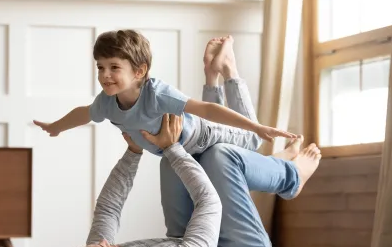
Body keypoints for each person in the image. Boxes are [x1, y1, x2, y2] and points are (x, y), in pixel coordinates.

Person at [57, 44, 320, 247]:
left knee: (173, 164)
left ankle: (222, 90)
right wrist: (171, 147)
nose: (105, 243)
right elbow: (209, 202)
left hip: (187, 242)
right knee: (219, 156)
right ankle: (291, 176)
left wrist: (134, 151)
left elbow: (108, 208)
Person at [32, 31, 297, 159]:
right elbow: (84, 113)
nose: (104, 75)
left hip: (202, 135)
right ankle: (212, 73)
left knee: (253, 142)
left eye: (114, 67)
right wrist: (57, 127)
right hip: (183, 150)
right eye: (100, 67)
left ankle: (228, 70)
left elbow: (205, 109)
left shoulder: (156, 93)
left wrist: (256, 126)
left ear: (139, 71)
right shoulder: (106, 102)